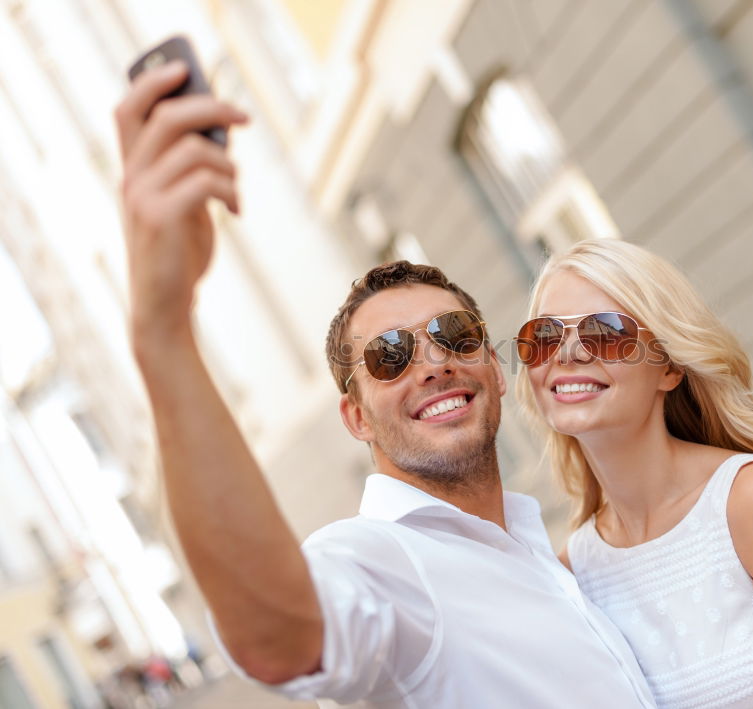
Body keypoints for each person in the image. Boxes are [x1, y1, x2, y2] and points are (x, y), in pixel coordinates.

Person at [114, 61, 655, 707]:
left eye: (454, 334)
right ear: (358, 418)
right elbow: (280, 637)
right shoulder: (381, 559)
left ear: (495, 367)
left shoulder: (546, 551)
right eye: (391, 355)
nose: (433, 363)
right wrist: (163, 329)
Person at [515, 239, 753, 709]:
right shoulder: (574, 570)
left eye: (605, 331)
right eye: (545, 336)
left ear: (669, 368)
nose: (568, 353)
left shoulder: (752, 499)